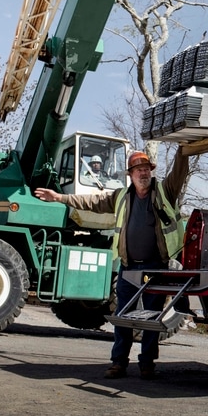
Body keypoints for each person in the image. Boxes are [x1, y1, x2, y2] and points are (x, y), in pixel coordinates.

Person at [35, 147, 189, 379]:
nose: (144, 173)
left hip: (155, 267)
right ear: (131, 174)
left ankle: (147, 364)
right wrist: (60, 198)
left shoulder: (165, 191)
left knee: (152, 317)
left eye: (146, 169)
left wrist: (183, 150)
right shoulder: (120, 197)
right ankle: (119, 363)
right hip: (128, 267)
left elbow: (179, 172)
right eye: (139, 170)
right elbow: (92, 201)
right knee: (122, 316)